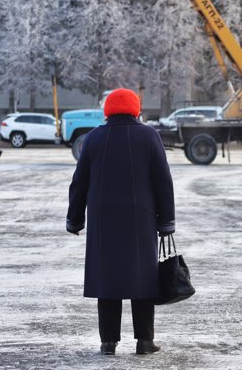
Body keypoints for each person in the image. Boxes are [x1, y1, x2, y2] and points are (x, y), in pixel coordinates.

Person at [67, 88, 176, 356]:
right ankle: (145, 341)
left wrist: (75, 219)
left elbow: (79, 182)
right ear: (136, 109)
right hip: (141, 217)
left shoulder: (93, 138)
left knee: (107, 278)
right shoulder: (149, 136)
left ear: (107, 111)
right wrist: (167, 222)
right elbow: (163, 180)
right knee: (143, 280)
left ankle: (108, 342)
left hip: (103, 219)